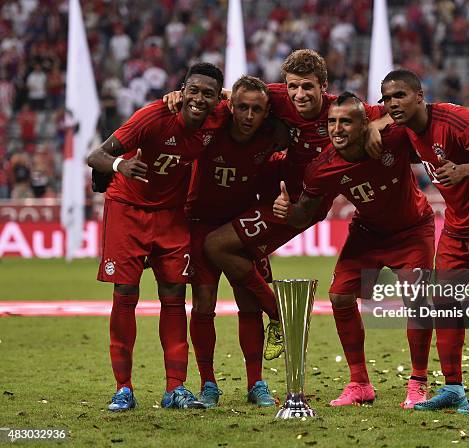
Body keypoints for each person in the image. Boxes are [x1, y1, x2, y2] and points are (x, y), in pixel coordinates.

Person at [164, 50, 385, 363]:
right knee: (238, 256)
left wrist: (374, 126)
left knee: (216, 246)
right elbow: (235, 96)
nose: (299, 94)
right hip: (272, 190)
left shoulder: (341, 110)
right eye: (293, 86)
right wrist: (178, 96)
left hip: (300, 205)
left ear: (323, 86)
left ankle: (280, 315)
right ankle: (260, 368)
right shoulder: (277, 97)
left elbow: (388, 113)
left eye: (307, 87)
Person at [375, 69, 469, 414]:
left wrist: (464, 170)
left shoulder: (456, 119)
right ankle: (454, 388)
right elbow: (371, 119)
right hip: (458, 223)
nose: (392, 103)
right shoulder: (404, 129)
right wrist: (373, 125)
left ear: (419, 96)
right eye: (387, 98)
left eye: (399, 95)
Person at [273, 92, 435, 408]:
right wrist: (286, 211)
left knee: (416, 300)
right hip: (368, 233)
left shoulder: (393, 138)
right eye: (332, 121)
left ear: (364, 124)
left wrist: (383, 122)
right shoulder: (322, 167)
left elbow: (422, 112)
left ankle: (418, 381)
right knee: (340, 296)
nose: (337, 128)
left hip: (413, 230)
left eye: (346, 121)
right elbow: (304, 213)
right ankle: (360, 382)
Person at [87, 62, 225, 411]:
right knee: (126, 293)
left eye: (209, 94)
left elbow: (253, 97)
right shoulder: (152, 115)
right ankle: (124, 389)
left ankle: (174, 389)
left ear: (216, 100)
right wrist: (120, 165)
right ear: (181, 90)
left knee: (174, 295)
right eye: (193, 90)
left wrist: (227, 95)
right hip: (127, 209)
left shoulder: (219, 116)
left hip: (172, 215)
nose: (199, 99)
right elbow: (96, 155)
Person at [186, 75, 289, 408]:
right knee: (203, 304)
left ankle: (256, 383)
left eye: (256, 109)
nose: (248, 116)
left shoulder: (271, 135)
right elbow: (191, 105)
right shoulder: (211, 127)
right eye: (242, 107)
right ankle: (208, 385)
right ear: (229, 107)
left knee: (248, 305)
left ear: (265, 112)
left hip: (242, 224)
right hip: (201, 223)